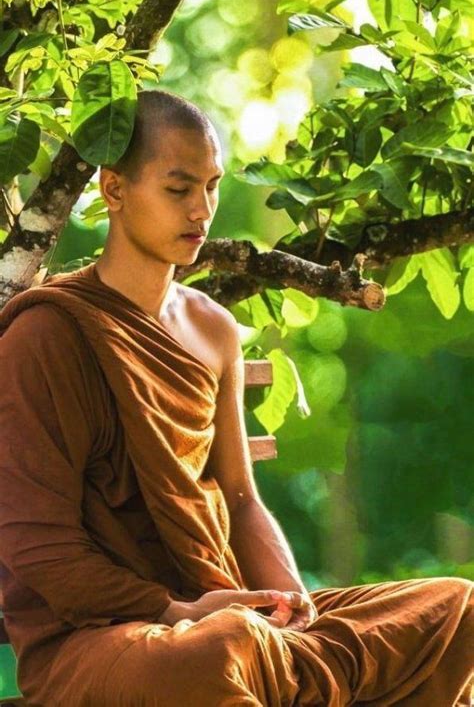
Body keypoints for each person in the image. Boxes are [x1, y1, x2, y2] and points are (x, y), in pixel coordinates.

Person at [0, 89, 472, 707]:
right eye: (178, 189)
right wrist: (176, 610)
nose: (202, 211)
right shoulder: (47, 334)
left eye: (213, 186)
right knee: (213, 654)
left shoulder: (212, 327)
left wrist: (292, 610)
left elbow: (242, 500)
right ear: (114, 190)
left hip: (224, 614)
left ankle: (282, 663)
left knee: (455, 609)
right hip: (103, 639)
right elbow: (41, 547)